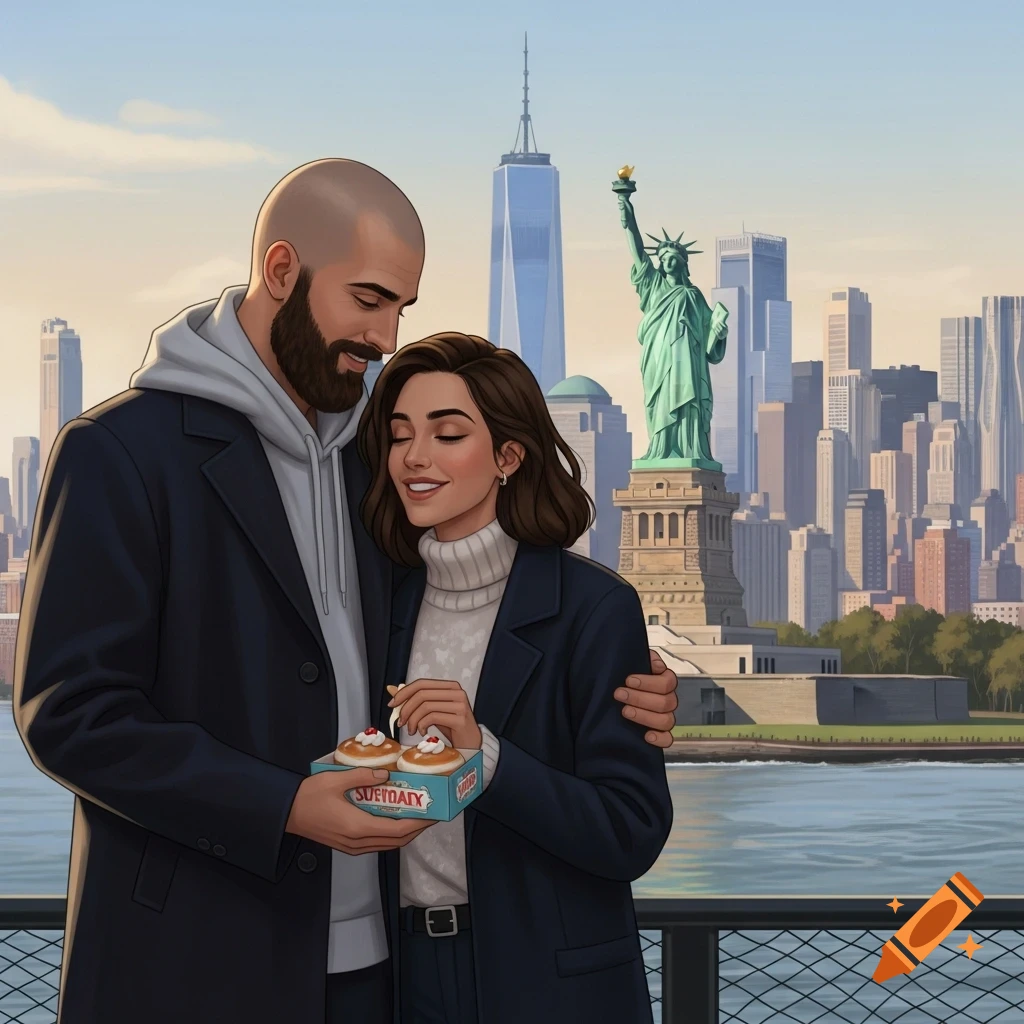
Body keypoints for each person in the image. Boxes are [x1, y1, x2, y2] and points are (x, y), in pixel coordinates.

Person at [12, 159, 679, 1024]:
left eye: (401, 306)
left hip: (383, 974)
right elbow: (70, 713)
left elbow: (478, 618)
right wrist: (285, 806)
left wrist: (637, 683)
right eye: (368, 299)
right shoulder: (121, 452)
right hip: (198, 964)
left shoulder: (379, 462)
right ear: (282, 271)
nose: (387, 337)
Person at [358, 332, 673, 1024]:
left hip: (548, 983)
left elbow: (632, 829)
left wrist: (484, 756)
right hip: (400, 980)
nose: (414, 457)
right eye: (400, 435)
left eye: (446, 435)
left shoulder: (592, 609)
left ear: (508, 456)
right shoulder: (379, 603)